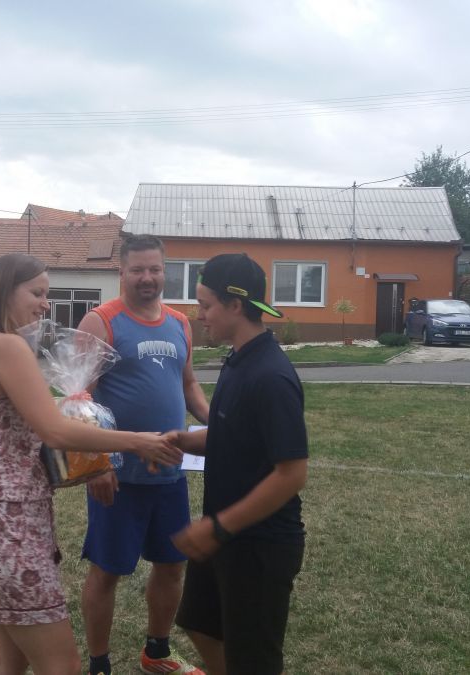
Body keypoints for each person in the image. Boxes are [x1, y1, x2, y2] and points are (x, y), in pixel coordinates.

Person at [0, 252, 182, 675]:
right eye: (37, 293)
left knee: (10, 660)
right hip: (8, 524)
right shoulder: (7, 346)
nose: (45, 304)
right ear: (6, 291)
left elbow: (30, 423)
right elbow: (55, 431)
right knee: (63, 666)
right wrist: (137, 442)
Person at [170, 253, 309, 675]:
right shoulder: (238, 360)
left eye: (205, 305)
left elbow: (292, 473)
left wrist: (219, 526)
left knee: (254, 660)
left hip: (259, 544)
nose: (198, 315)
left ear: (235, 305)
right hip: (224, 534)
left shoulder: (270, 377)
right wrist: (180, 441)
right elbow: (231, 432)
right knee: (199, 623)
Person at [78, 234, 209, 675]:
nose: (147, 278)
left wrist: (220, 424)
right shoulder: (101, 321)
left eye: (155, 269)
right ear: (122, 272)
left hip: (169, 472)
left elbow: (188, 384)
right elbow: (80, 396)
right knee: (108, 571)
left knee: (172, 565)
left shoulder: (180, 323)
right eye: (138, 270)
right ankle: (99, 664)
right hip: (119, 477)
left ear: (164, 271)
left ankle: (157, 651)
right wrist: (96, 464)